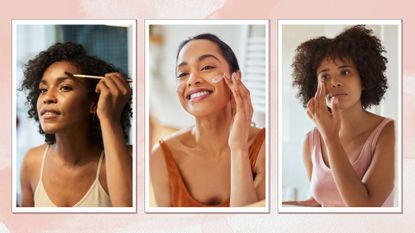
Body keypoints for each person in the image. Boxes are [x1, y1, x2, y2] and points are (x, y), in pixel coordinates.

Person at [150, 33, 266, 207]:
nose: (192, 80)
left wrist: (239, 148)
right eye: (182, 73)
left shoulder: (266, 148)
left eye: (206, 67)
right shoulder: (161, 156)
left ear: (235, 77)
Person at [285, 25, 395, 207]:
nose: (334, 82)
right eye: (325, 76)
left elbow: (364, 208)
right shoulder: (311, 141)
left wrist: (330, 137)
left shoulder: (390, 133)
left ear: (364, 80)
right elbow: (321, 202)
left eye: (345, 72)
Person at [19, 42, 133, 207]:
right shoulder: (32, 162)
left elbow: (130, 219)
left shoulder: (129, 160)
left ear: (94, 103)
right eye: (43, 89)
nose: (47, 97)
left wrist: (109, 118)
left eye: (64, 87)